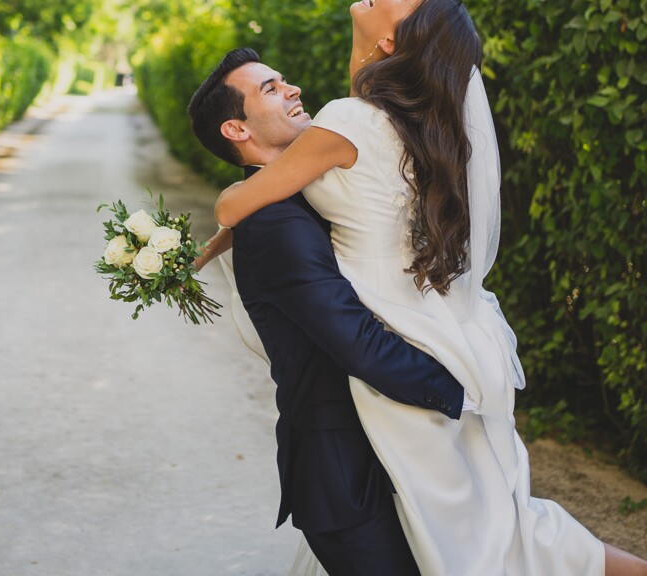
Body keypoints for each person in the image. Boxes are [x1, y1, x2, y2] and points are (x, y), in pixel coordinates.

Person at [205, 0, 647, 576]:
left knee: (455, 538)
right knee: (486, 514)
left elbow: (237, 206)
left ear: (394, 37)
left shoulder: (346, 121)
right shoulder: (411, 122)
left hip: (401, 337)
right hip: (455, 329)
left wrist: (225, 217)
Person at [186, 48, 471, 576]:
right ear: (235, 129)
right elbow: (353, 337)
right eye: (270, 89)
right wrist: (460, 393)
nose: (292, 89)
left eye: (285, 78)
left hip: (384, 449)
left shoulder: (309, 193)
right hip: (346, 474)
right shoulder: (273, 224)